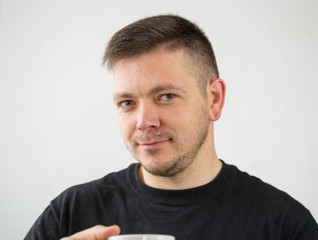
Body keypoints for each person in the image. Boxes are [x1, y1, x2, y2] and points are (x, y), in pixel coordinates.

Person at [25, 14, 318, 240]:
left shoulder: (283, 224)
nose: (143, 121)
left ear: (213, 99)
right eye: (127, 102)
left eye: (166, 96)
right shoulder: (71, 213)